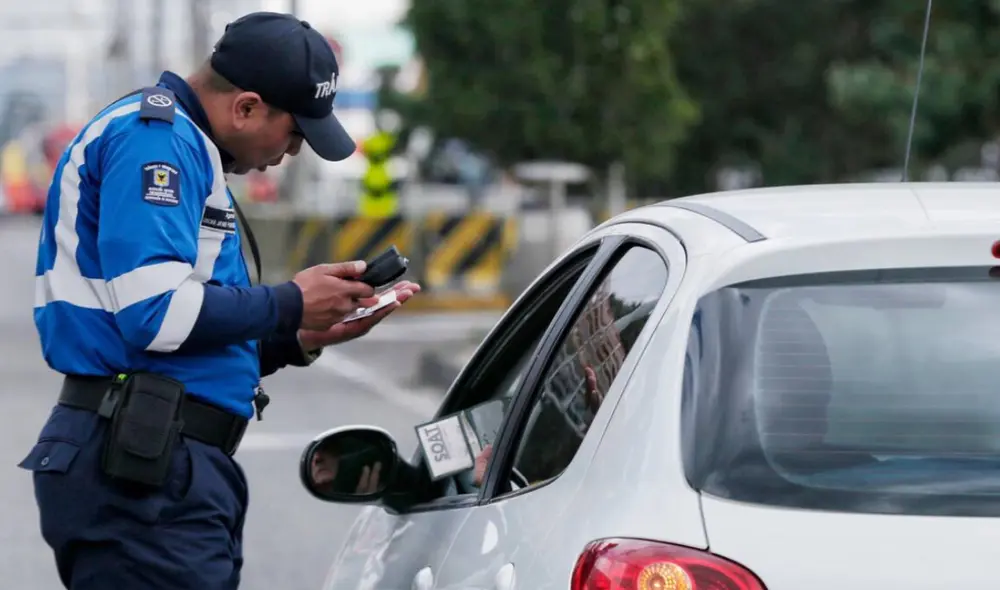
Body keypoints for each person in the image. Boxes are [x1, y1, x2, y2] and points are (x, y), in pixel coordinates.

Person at [18, 11, 420, 590]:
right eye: (295, 132)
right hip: (141, 471)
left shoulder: (184, 145)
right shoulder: (154, 141)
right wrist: (289, 302)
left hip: (157, 463)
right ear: (247, 107)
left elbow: (182, 335)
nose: (295, 151)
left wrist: (297, 334)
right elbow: (154, 314)